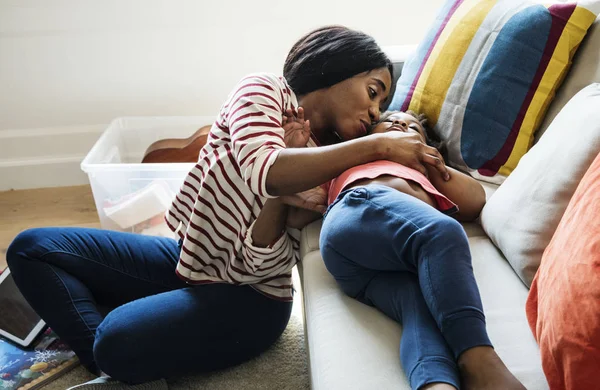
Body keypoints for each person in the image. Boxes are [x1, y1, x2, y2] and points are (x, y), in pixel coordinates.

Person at [5, 26, 450, 390]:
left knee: (114, 338)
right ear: (337, 67)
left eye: (381, 105)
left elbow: (264, 259)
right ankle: (117, 371)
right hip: (189, 261)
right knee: (30, 247)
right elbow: (267, 167)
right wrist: (373, 144)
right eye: (373, 92)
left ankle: (118, 359)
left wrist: (295, 188)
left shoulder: (334, 161)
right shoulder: (263, 91)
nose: (375, 112)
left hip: (250, 302)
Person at [319, 110, 526, 390]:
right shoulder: (357, 156)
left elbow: (475, 200)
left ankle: (436, 384)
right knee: (444, 231)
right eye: (389, 121)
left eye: (412, 127)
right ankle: (479, 361)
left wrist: (430, 161)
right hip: (358, 210)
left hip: (366, 269)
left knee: (420, 310)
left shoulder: (426, 169)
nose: (400, 124)